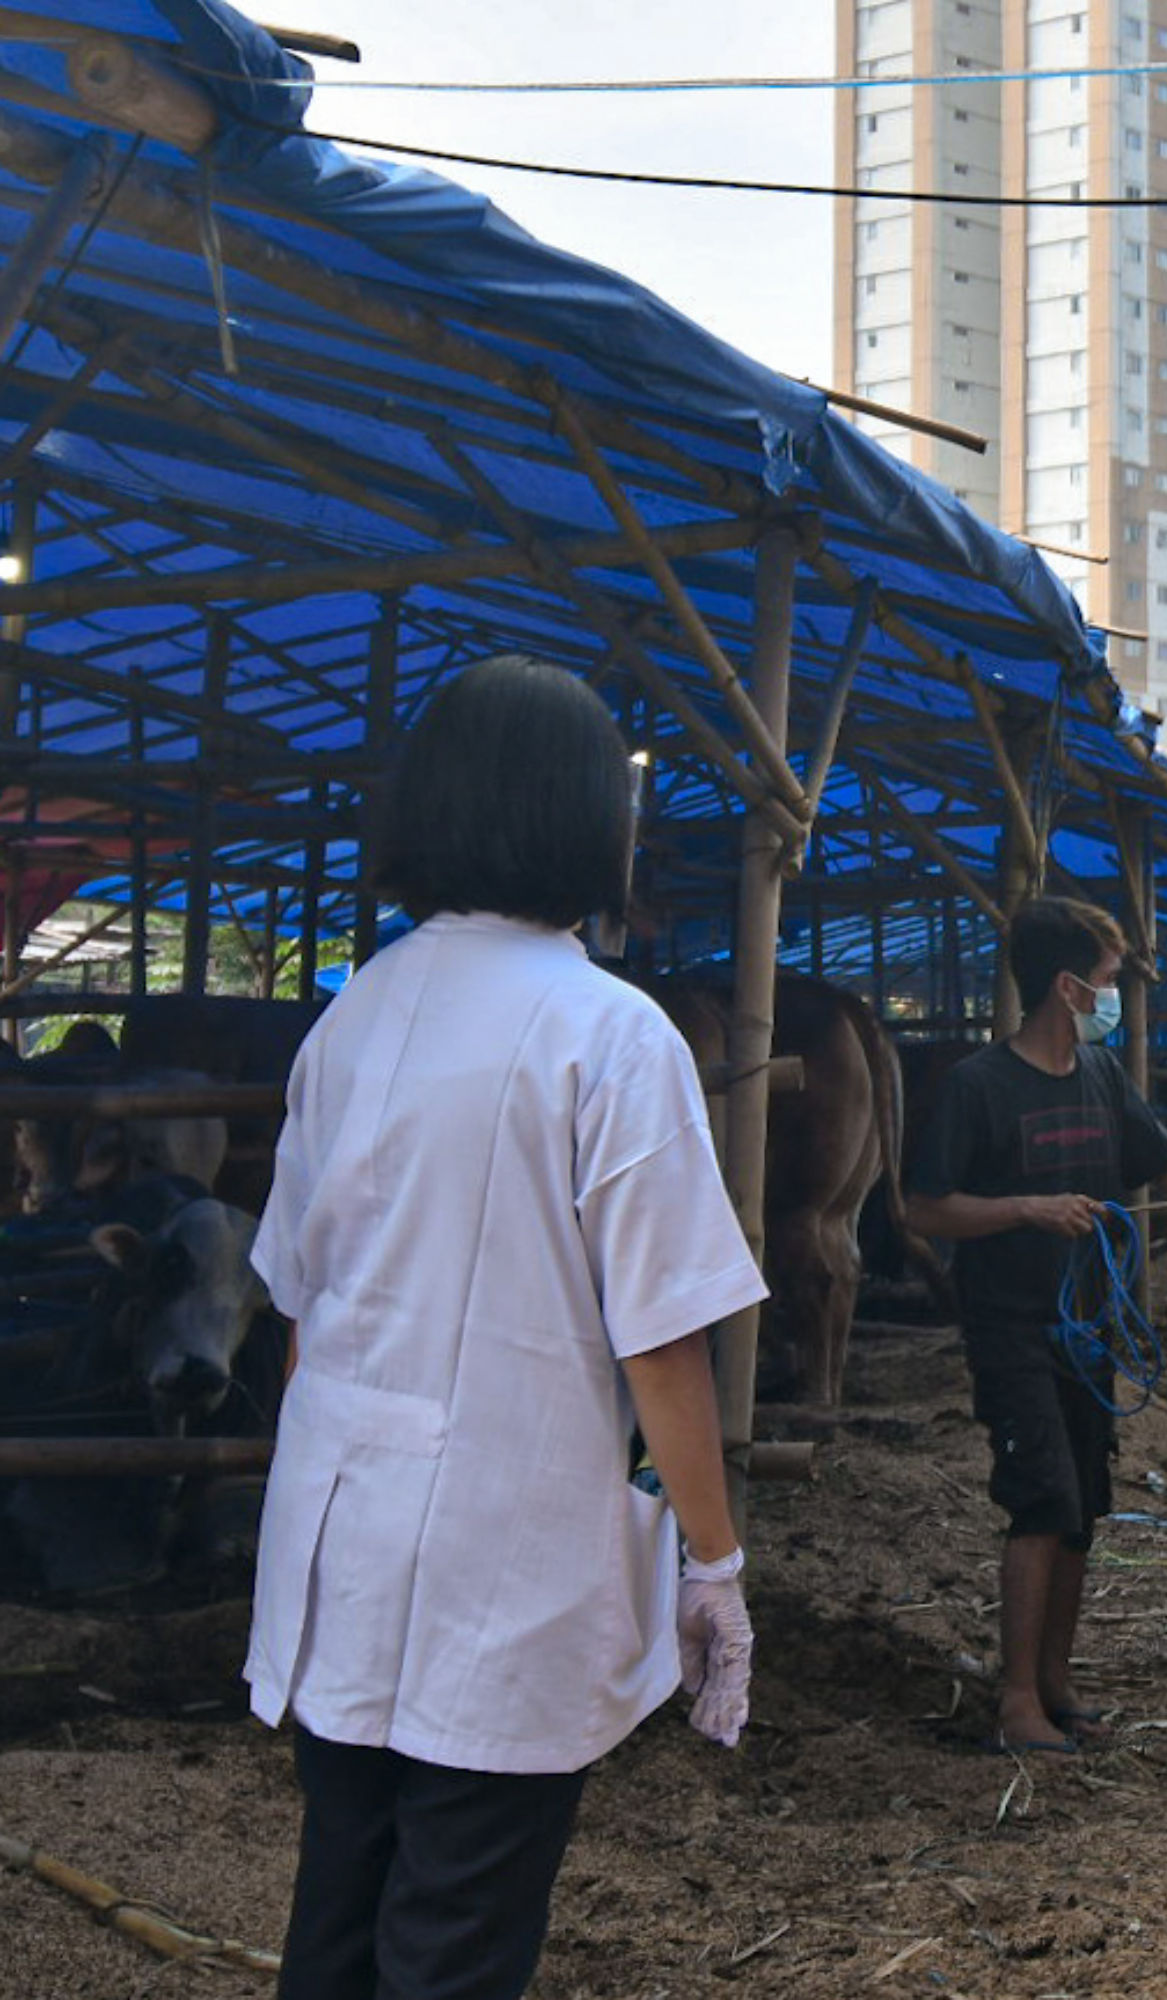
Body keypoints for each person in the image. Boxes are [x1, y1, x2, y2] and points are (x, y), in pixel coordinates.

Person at [246, 655, 769, 2000]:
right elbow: (664, 1341)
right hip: (503, 1564)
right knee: (458, 1936)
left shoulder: (350, 1018)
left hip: (337, 1549)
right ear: (588, 822)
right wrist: (714, 1561)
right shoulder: (613, 1036)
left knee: (342, 1907)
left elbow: (301, 1316)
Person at [905, 896, 1167, 1755]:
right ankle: (1018, 1699)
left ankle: (1058, 1683)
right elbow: (924, 1209)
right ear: (1068, 988)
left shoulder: (1103, 1079)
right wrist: (1024, 1209)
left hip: (1091, 1326)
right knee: (1041, 1501)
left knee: (1086, 1504)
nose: (1117, 996)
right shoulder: (978, 1088)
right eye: (1108, 981)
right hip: (1014, 1327)